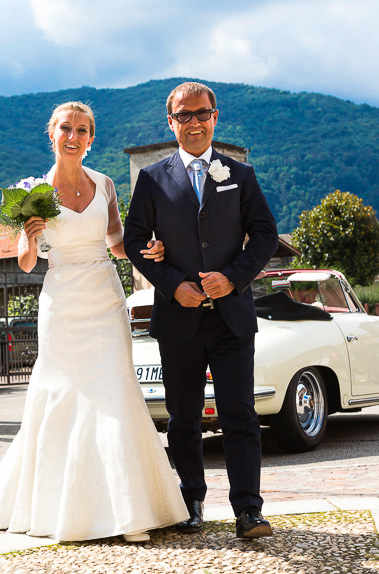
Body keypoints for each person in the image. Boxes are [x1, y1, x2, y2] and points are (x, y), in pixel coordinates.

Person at [0, 101, 185, 543]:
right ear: (52, 135)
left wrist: (151, 249)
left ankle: (130, 511)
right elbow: (29, 264)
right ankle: (65, 509)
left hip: (105, 296)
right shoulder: (34, 192)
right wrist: (28, 237)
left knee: (116, 391)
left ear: (91, 138)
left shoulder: (105, 184)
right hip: (62, 298)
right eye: (65, 128)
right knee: (65, 394)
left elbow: (118, 242)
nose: (73, 135)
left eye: (82, 129)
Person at [124, 82, 279, 539]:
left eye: (202, 114)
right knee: (184, 418)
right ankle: (191, 501)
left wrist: (233, 277)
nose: (194, 122)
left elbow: (266, 236)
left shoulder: (241, 175)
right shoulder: (152, 178)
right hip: (179, 319)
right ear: (170, 122)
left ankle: (248, 511)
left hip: (232, 317)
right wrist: (173, 285)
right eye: (184, 116)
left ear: (216, 117)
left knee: (240, 415)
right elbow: (134, 241)